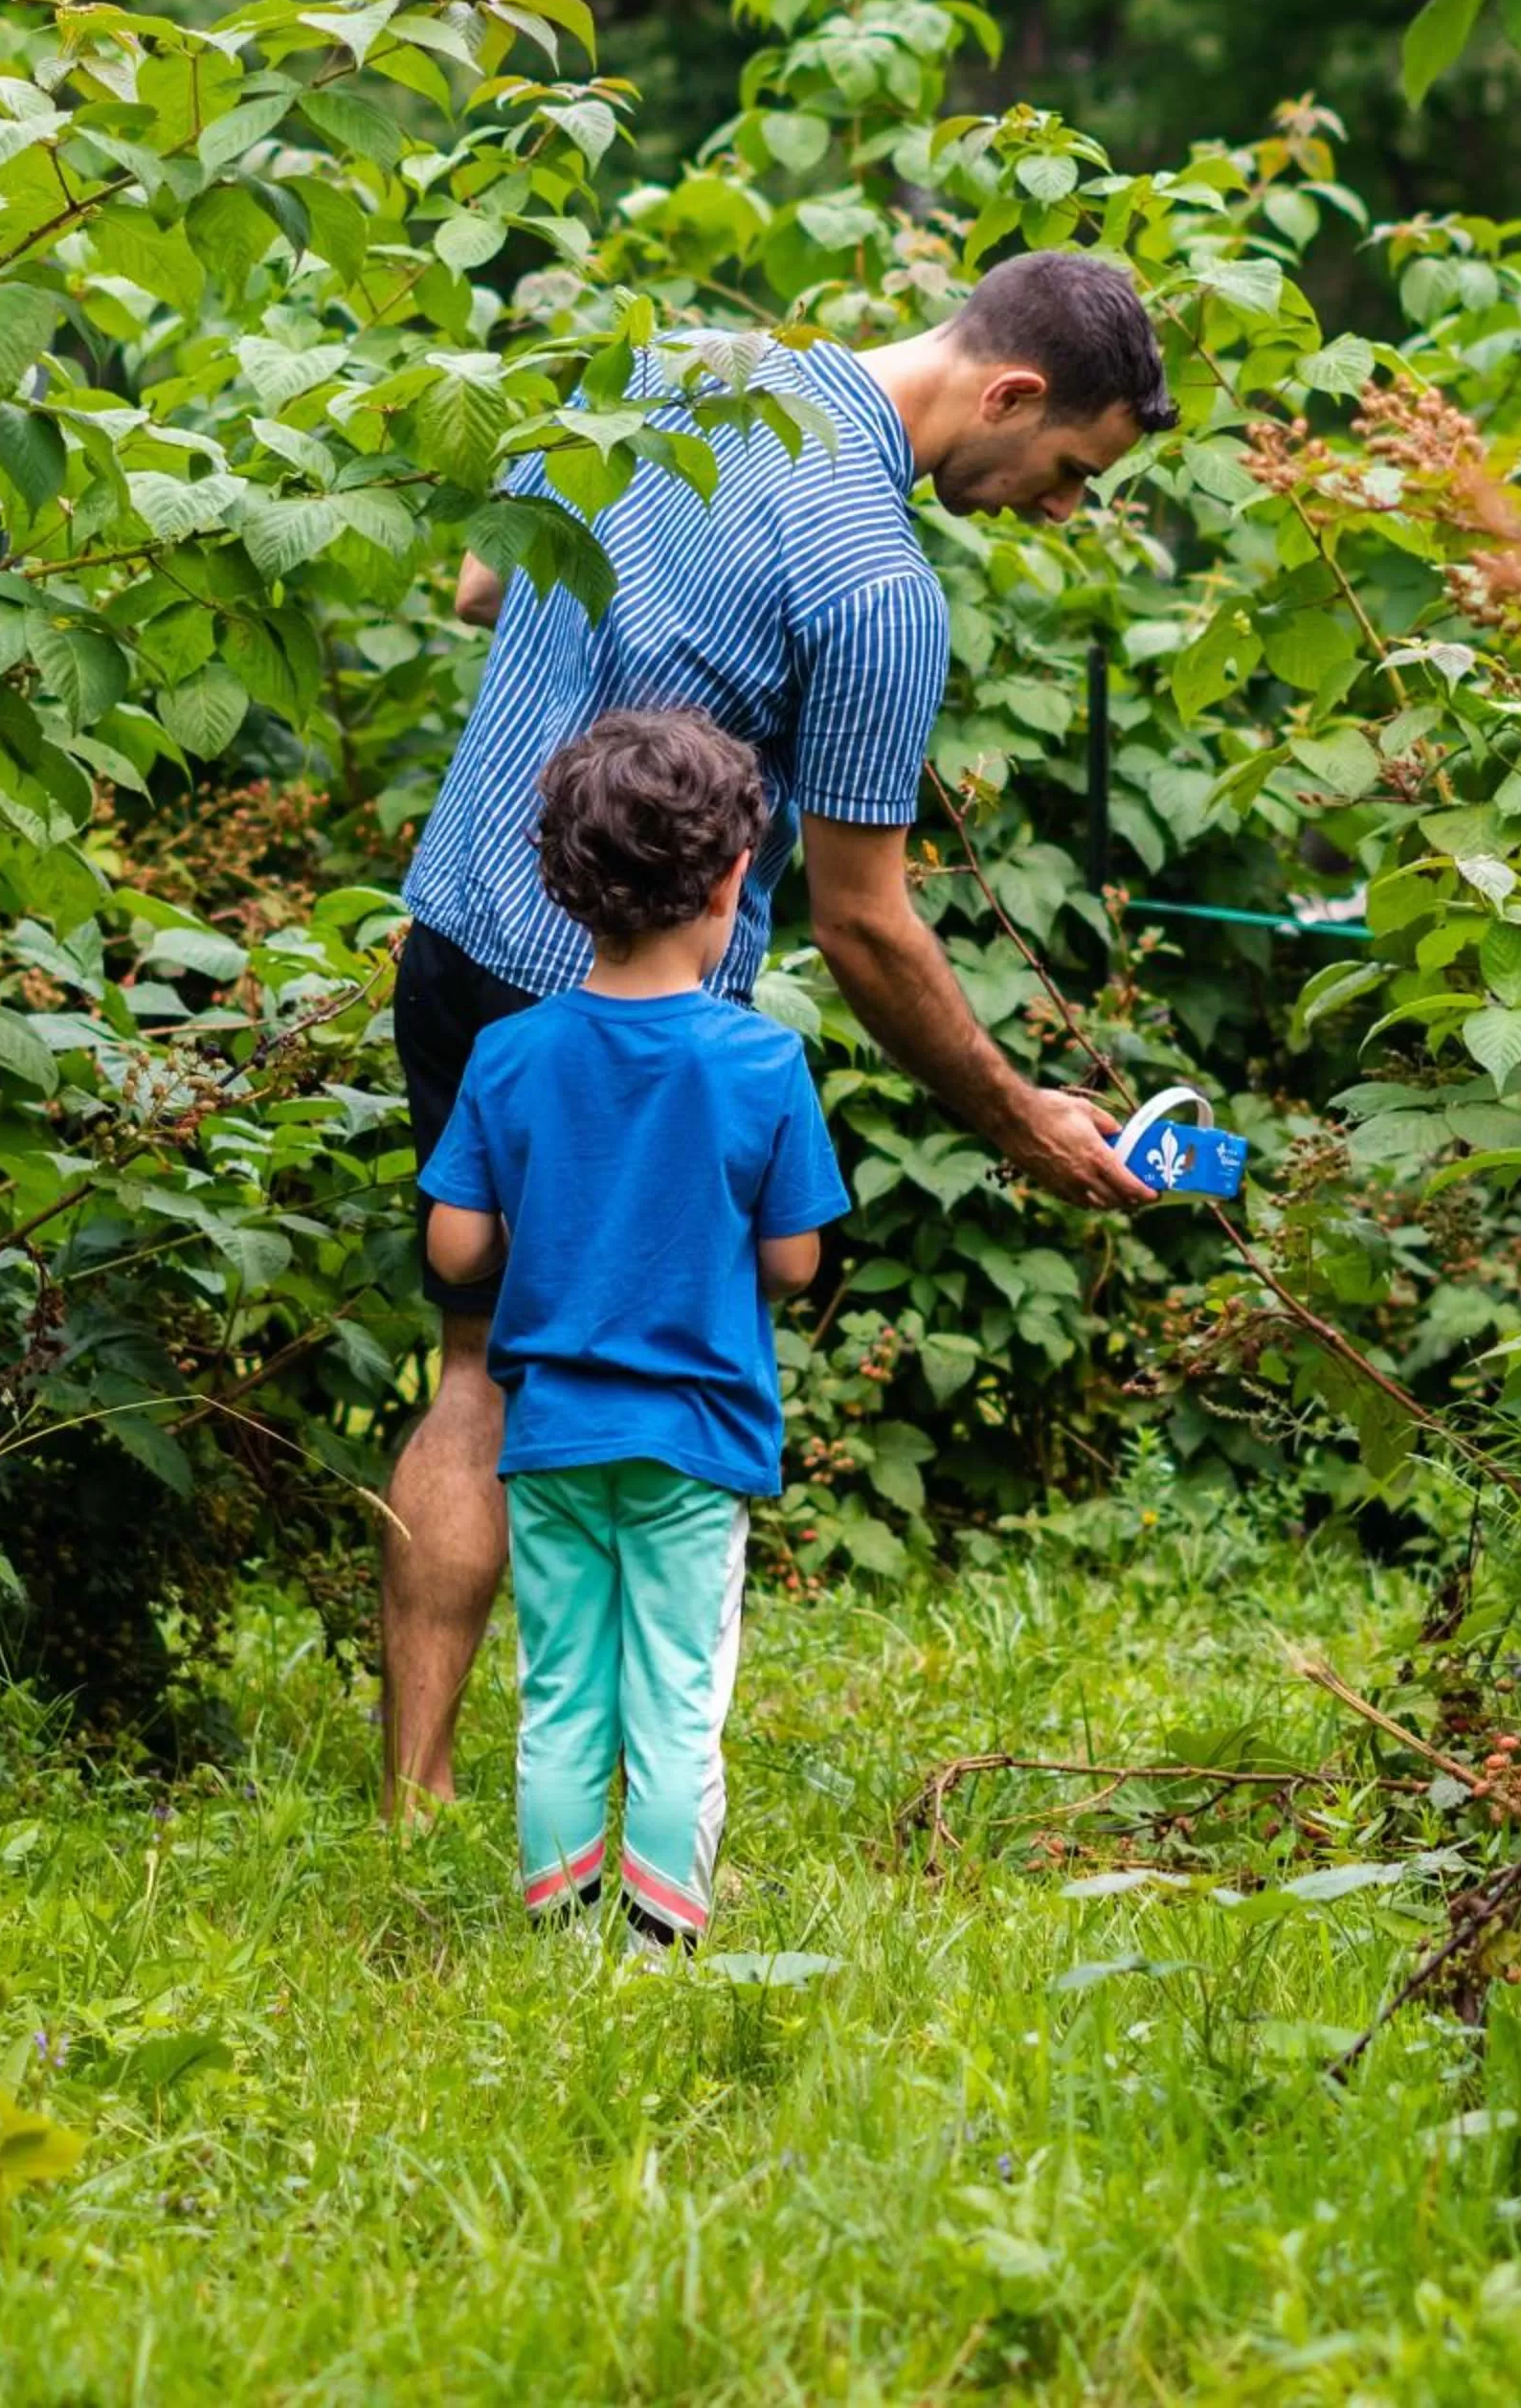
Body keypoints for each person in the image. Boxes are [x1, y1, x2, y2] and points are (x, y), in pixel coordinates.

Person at [386, 250, 1174, 1816]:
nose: (1059, 510)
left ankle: (415, 1801)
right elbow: (864, 923)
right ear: (1013, 395)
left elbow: (485, 582)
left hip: (455, 935)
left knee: (472, 1371)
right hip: (640, 1030)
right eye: (1071, 472)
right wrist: (1021, 1118)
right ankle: (641, 1808)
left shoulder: (682, 363)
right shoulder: (878, 583)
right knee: (659, 1408)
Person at [417, 710, 846, 1939]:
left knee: (560, 1693)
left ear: (561, 885)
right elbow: (794, 1262)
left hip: (549, 1437)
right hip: (694, 1441)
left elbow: (454, 1249)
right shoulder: (762, 1064)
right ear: (730, 884)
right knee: (675, 1697)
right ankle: (661, 1940)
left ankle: (559, 1932)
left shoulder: (509, 1054)